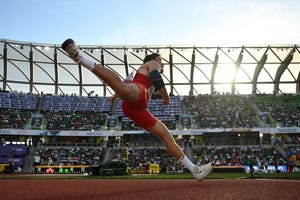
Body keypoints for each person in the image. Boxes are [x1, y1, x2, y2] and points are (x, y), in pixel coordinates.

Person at [61, 38, 212, 181]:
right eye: (162, 61)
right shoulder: (154, 63)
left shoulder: (136, 71)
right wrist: (166, 96)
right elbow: (154, 76)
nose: (163, 64)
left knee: (166, 134)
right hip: (139, 93)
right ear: (155, 59)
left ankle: (194, 169)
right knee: (128, 90)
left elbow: (125, 82)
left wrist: (115, 96)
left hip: (136, 107)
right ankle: (81, 58)